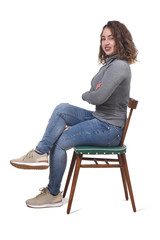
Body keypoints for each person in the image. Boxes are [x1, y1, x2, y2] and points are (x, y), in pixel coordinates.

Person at [10, 20, 138, 208]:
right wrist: (95, 93)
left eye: (111, 37)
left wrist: (89, 94)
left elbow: (98, 96)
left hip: (111, 129)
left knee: (61, 139)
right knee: (62, 109)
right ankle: (40, 152)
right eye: (103, 38)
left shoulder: (119, 66)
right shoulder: (109, 65)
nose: (106, 42)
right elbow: (96, 90)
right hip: (100, 119)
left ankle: (53, 193)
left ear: (121, 39)